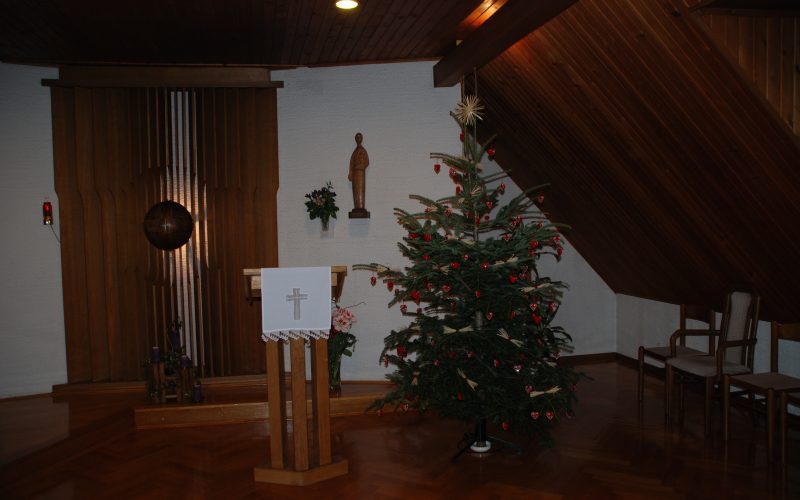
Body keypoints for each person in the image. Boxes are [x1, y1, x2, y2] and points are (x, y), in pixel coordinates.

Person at [348, 132, 370, 218]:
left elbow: (367, 162)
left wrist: (361, 166)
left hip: (360, 172)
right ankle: (356, 207)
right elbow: (351, 164)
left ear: (361, 139)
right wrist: (350, 173)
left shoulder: (362, 150)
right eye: (357, 138)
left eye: (359, 137)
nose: (358, 139)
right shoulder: (354, 152)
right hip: (355, 173)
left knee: (360, 189)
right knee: (355, 190)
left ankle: (361, 207)